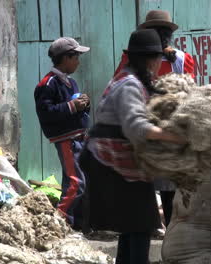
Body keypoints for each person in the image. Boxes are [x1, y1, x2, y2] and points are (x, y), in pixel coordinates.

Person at [79, 29, 185, 264]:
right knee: (140, 223)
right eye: (158, 59)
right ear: (151, 60)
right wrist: (175, 137)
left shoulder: (132, 79)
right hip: (110, 164)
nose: (160, 64)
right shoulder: (129, 85)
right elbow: (136, 128)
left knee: (134, 227)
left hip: (122, 163)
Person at [115, 10, 195, 231]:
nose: (162, 35)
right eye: (159, 32)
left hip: (167, 129)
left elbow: (189, 91)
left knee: (168, 185)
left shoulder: (181, 59)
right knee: (145, 183)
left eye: (165, 32)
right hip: (142, 128)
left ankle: (167, 229)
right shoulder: (130, 60)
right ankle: (150, 227)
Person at [34, 37, 91, 229]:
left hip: (79, 138)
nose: (78, 62)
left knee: (80, 182)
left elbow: (75, 110)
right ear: (65, 58)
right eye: (76, 57)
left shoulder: (71, 83)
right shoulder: (47, 84)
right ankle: (59, 223)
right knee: (76, 183)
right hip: (67, 141)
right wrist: (72, 106)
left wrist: (84, 104)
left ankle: (80, 225)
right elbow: (46, 113)